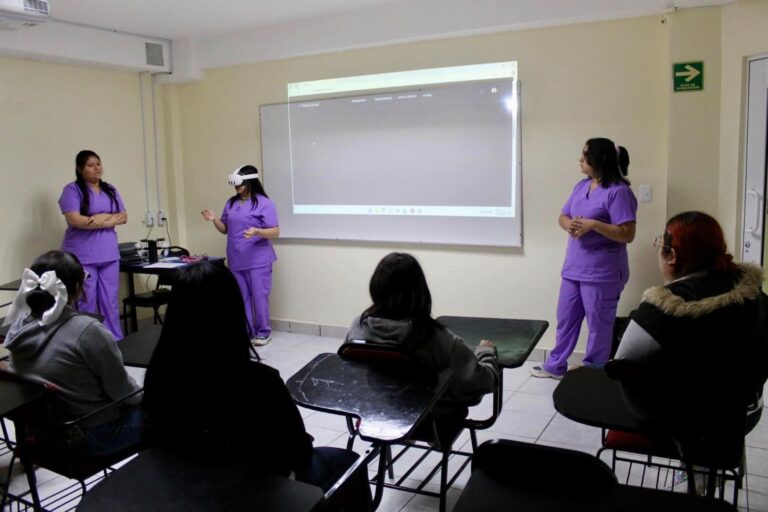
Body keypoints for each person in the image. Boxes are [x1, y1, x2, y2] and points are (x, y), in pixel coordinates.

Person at [142, 261, 371, 511]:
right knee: (348, 461)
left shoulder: (158, 377)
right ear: (231, 313)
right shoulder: (259, 382)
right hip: (256, 494)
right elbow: (299, 453)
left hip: (187, 492)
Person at [614, 211, 768, 434]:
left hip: (687, 420)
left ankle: (694, 462)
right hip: (746, 413)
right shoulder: (750, 290)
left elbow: (622, 364)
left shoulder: (664, 307)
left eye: (659, 243)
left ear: (672, 256)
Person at [1, 250, 143, 456]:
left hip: (43, 437)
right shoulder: (87, 330)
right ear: (77, 287)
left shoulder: (18, 325)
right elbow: (123, 391)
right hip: (89, 436)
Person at [345, 252, 499, 431]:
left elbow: (352, 375)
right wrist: (486, 352)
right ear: (420, 291)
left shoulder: (357, 327)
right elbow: (484, 382)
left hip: (374, 414)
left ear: (376, 287)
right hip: (428, 422)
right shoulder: (436, 338)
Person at [531, 138, 637, 379]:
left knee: (599, 326)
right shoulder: (581, 186)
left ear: (600, 160)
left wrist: (595, 225)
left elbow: (628, 234)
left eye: (585, 155)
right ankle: (555, 365)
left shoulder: (619, 191)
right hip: (573, 269)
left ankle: (594, 373)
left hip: (602, 273)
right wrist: (570, 224)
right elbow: (563, 216)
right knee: (566, 320)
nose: (580, 159)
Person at [201, 165, 279, 347]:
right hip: (237, 258)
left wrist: (258, 231)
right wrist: (214, 220)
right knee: (240, 297)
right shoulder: (231, 203)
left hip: (258, 259)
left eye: (240, 185)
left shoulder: (264, 203)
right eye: (235, 185)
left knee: (259, 296)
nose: (237, 189)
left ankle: (263, 332)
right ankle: (246, 331)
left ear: (250, 182)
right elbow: (225, 229)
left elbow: (275, 231)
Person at [58, 150, 127, 340]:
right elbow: (75, 220)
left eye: (98, 163)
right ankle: (87, 341)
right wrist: (108, 219)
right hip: (83, 256)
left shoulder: (110, 189)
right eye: (90, 165)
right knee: (86, 301)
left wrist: (101, 218)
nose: (97, 167)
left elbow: (124, 216)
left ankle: (114, 339)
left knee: (109, 301)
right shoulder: (72, 190)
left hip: (109, 254)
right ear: (80, 169)